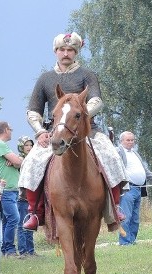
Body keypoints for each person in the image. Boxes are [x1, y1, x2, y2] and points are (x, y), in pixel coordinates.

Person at [19, 32, 128, 231]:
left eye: (70, 50)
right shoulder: (45, 79)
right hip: (56, 133)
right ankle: (35, 212)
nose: (66, 53)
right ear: (56, 51)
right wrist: (40, 131)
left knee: (111, 156)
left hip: (88, 131)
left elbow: (96, 100)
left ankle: (115, 207)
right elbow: (34, 110)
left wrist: (83, 112)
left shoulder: (87, 75)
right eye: (62, 49)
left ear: (76, 52)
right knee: (32, 161)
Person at [117, 131, 152, 246]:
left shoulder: (135, 153)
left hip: (138, 189)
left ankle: (132, 240)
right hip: (127, 189)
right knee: (125, 217)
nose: (130, 142)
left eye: (132, 140)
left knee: (135, 218)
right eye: (128, 140)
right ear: (121, 141)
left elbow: (144, 170)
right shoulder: (118, 152)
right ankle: (125, 242)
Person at [0, 122, 23, 257]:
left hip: (10, 189)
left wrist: (15, 161)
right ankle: (10, 250)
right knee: (14, 218)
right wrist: (15, 162)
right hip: (6, 189)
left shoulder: (3, 146)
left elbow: (18, 161)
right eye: (10, 130)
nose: (12, 132)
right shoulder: (0, 144)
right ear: (6, 130)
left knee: (7, 220)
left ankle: (5, 249)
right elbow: (19, 162)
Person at [16, 137, 36, 257]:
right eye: (26, 145)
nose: (29, 147)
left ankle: (31, 251)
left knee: (31, 224)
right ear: (21, 147)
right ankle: (23, 251)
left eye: (30, 145)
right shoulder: (20, 159)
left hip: (32, 197)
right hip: (22, 198)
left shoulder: (33, 158)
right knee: (22, 224)